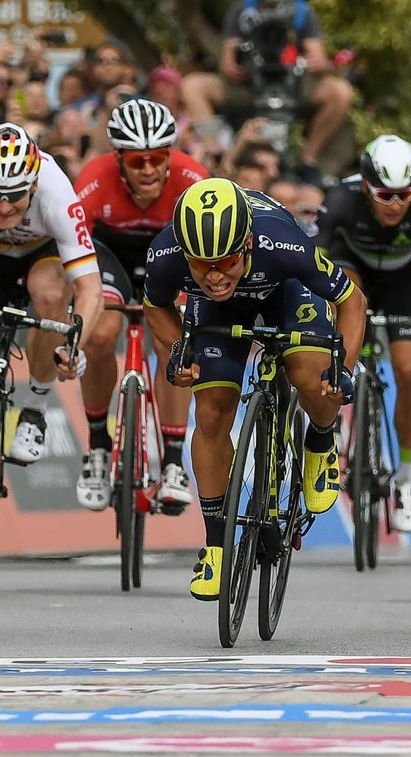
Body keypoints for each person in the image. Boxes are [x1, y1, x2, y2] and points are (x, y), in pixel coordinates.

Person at [144, 177, 366, 600]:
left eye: (226, 261)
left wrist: (343, 370)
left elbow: (352, 301)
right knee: (211, 412)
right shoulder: (166, 252)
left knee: (311, 376)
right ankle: (216, 546)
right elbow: (156, 306)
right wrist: (179, 350)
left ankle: (320, 439)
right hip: (218, 315)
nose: (213, 275)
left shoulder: (284, 244)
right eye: (201, 264)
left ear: (246, 244)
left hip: (286, 290)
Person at [73, 98, 209, 512]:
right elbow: (73, 246)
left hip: (172, 255)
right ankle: (98, 447)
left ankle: (172, 462)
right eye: (137, 161)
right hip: (109, 254)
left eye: (157, 158)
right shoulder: (94, 180)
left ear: (170, 155)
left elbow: (208, 251)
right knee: (98, 337)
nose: (148, 169)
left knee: (173, 342)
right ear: (119, 160)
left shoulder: (193, 179)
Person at [0, 123, 103, 463]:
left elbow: (90, 289)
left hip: (40, 255)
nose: (3, 207)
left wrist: (72, 347)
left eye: (15, 196)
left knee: (48, 293)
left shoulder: (57, 191)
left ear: (33, 183)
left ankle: (35, 409)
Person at [314, 134, 411, 532]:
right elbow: (316, 265)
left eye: (404, 195)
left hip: (404, 283)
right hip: (355, 272)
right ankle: (325, 437)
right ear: (365, 186)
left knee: (410, 372)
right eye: (384, 195)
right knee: (344, 310)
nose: (396, 205)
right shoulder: (341, 201)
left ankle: (407, 480)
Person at [180, 0, 354, 181]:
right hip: (250, 86)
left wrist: (318, 62)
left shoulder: (302, 12)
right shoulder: (241, 11)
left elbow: (317, 57)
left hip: (293, 84)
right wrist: (241, 63)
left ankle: (308, 160)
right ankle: (214, 154)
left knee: (340, 91)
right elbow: (228, 65)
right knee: (193, 86)